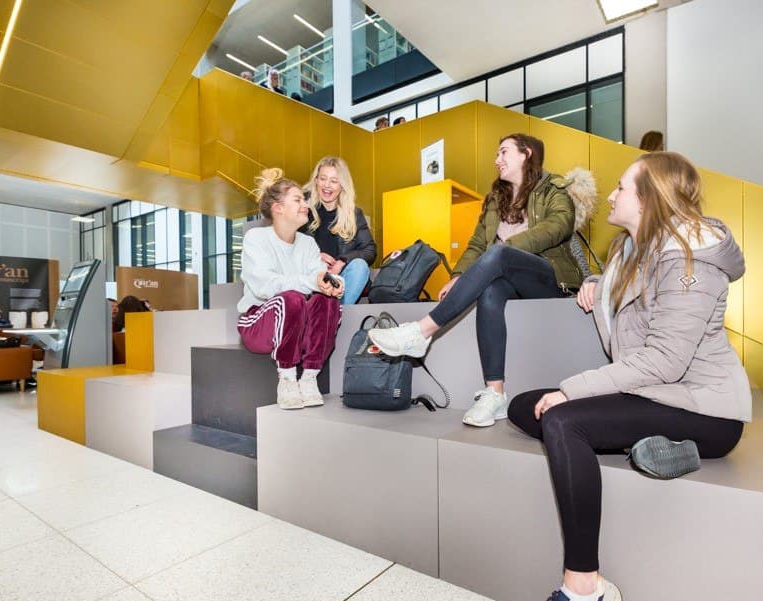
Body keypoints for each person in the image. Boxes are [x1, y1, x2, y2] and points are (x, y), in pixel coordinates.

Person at [504, 151, 751, 601]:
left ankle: (585, 591)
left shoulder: (691, 259)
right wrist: (597, 284)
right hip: (650, 395)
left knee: (564, 421)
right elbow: (629, 321)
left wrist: (573, 389)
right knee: (523, 406)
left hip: (704, 409)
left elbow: (665, 361)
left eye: (621, 188)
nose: (611, 196)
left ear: (649, 198)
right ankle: (655, 446)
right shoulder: (627, 248)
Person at [368, 133, 585, 427]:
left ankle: (422, 332)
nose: (496, 160)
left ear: (526, 154)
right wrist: (458, 275)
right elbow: (475, 244)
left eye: (503, 152)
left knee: (498, 254)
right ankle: (495, 394)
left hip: (547, 277)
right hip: (506, 277)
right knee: (490, 291)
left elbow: (558, 226)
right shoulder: (497, 198)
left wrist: (504, 251)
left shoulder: (553, 189)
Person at [237, 168, 344, 410]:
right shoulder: (256, 238)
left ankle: (308, 378)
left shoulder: (307, 243)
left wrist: (334, 285)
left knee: (327, 300)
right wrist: (314, 281)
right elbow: (266, 286)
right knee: (291, 298)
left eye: (304, 200)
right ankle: (286, 378)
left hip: (297, 321)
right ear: (278, 207)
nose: (305, 204)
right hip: (257, 322)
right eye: (297, 199)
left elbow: (319, 275)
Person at [301, 156, 377, 305]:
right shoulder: (303, 211)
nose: (327, 185)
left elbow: (370, 250)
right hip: (312, 275)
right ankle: (328, 311)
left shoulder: (354, 214)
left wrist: (343, 261)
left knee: (360, 267)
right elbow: (291, 246)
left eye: (334, 181)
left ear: (342, 185)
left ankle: (338, 311)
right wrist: (315, 256)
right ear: (316, 180)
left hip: (341, 279)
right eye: (323, 179)